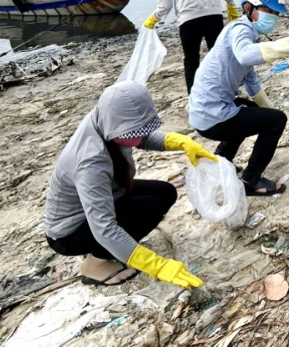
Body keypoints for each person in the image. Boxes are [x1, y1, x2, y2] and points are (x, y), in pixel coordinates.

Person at [43, 81, 217, 287]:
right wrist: (156, 265)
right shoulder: (90, 164)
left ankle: (118, 248)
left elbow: (137, 136)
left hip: (108, 193)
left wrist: (177, 142)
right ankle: (94, 264)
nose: (139, 135)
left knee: (165, 193)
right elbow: (103, 227)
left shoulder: (105, 118)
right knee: (148, 209)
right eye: (133, 132)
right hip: (70, 231)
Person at [188, 0, 289, 196]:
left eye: (275, 13)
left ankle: (220, 164)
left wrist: (267, 107)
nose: (272, 17)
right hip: (210, 115)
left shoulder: (250, 33)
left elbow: (250, 78)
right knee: (275, 121)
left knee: (254, 113)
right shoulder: (240, 29)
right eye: (267, 11)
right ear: (248, 8)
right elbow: (244, 54)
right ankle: (251, 180)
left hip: (208, 109)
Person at [143, 0, 240, 93]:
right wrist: (231, 5)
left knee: (191, 60)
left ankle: (194, 97)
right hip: (213, 16)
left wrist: (154, 18)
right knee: (219, 55)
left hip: (188, 21)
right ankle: (227, 91)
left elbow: (165, 5)